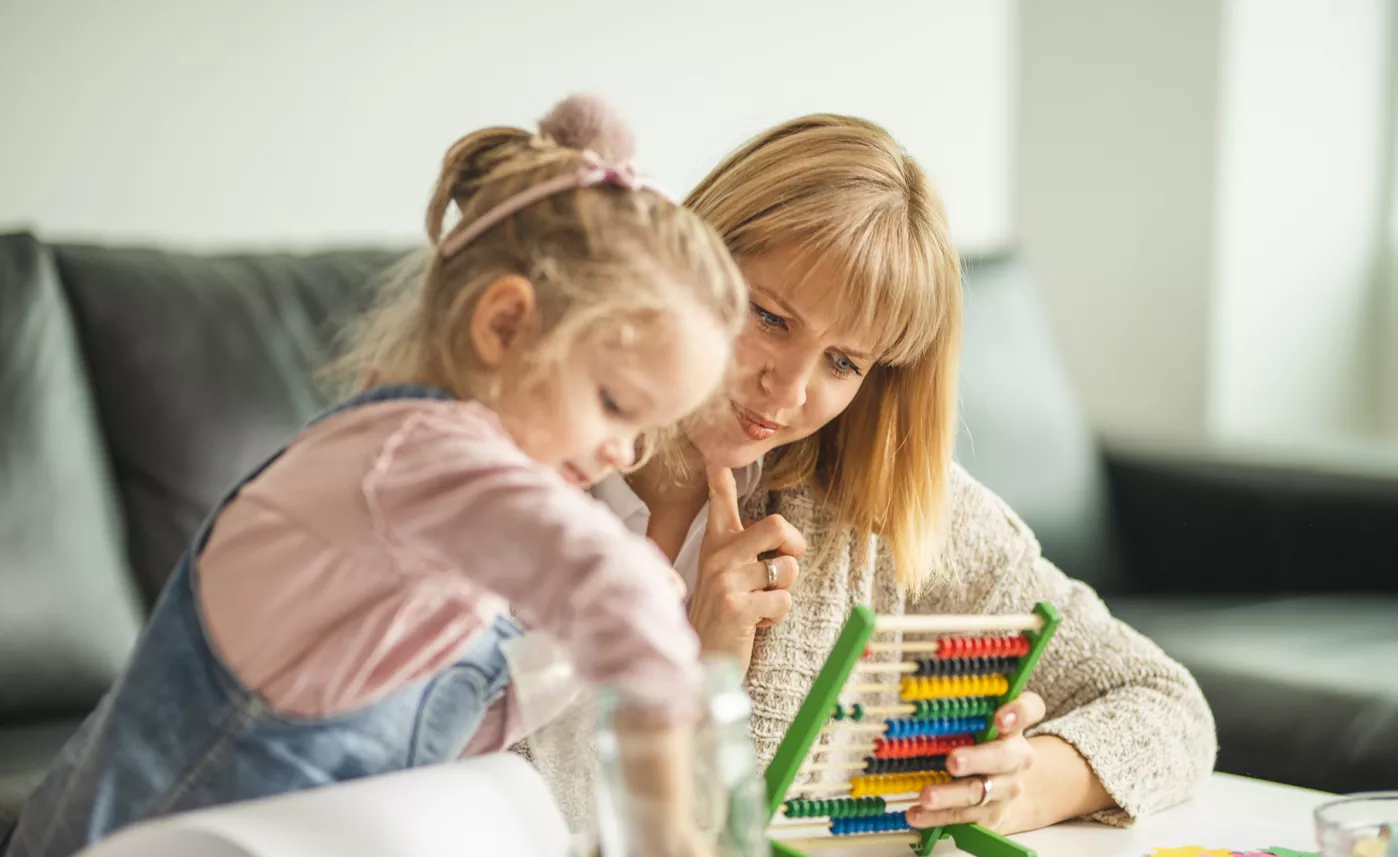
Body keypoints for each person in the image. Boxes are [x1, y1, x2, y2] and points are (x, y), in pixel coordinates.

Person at [3, 94, 746, 857]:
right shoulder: (415, 458)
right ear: (503, 325)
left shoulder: (431, 509)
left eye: (645, 428)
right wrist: (666, 830)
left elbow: (425, 728)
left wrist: (571, 654)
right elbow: (609, 588)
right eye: (616, 404)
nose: (627, 452)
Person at [518, 113, 1218, 836]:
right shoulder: (505, 465)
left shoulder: (875, 506)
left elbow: (1163, 700)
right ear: (689, 258)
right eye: (769, 317)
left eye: (844, 360)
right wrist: (703, 665)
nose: (788, 390)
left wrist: (1019, 784)